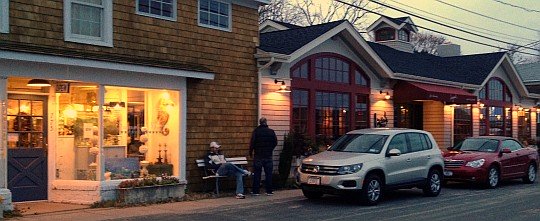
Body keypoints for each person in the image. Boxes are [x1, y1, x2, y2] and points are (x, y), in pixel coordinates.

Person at [249, 117, 277, 196]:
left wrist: (251, 152)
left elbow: (252, 143)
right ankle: (269, 191)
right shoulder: (271, 132)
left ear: (260, 123)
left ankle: (256, 191)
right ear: (266, 122)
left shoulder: (256, 132)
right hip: (268, 155)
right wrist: (270, 149)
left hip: (258, 155)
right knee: (268, 174)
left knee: (257, 173)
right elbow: (275, 142)